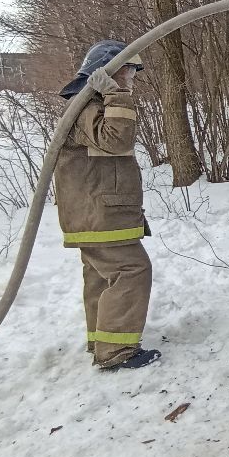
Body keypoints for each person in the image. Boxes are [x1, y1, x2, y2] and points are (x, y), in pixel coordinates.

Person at [55, 40, 160, 370]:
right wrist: (117, 94)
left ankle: (102, 342)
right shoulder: (88, 105)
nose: (133, 78)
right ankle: (116, 352)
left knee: (101, 278)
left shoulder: (89, 105)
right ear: (109, 72)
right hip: (99, 216)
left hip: (96, 214)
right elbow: (117, 140)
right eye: (128, 71)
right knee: (132, 271)